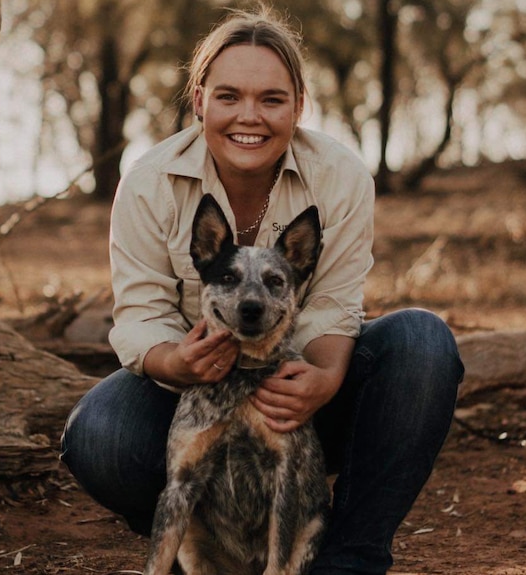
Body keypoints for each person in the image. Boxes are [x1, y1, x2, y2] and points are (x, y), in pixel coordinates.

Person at [61, 7, 464, 574]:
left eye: (271, 99)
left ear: (300, 105)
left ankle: (346, 560)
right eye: (228, 96)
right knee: (99, 434)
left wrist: (322, 380)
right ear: (199, 99)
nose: (249, 116)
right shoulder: (150, 183)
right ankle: (202, 551)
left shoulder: (341, 177)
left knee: (424, 342)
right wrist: (176, 360)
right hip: (191, 395)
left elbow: (334, 305)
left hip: (294, 396)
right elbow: (139, 315)